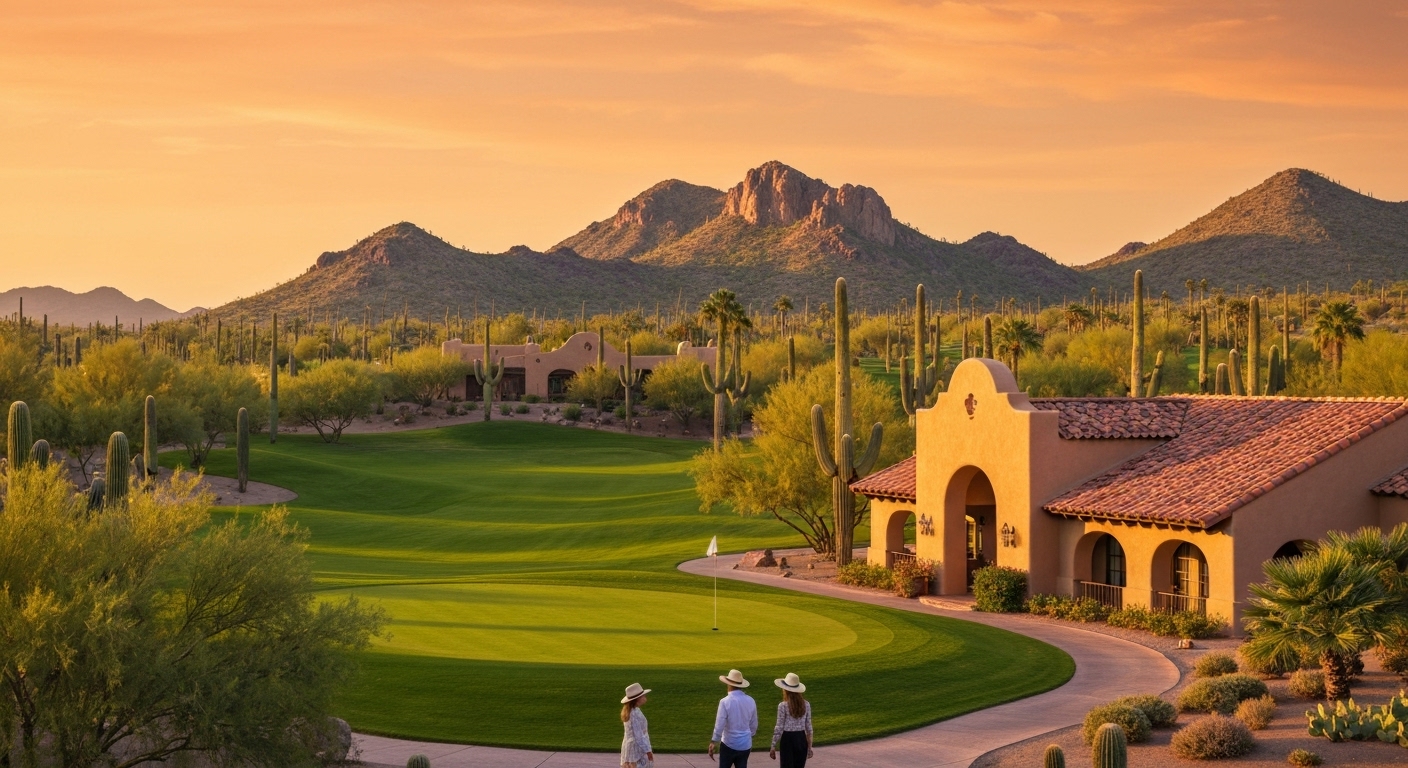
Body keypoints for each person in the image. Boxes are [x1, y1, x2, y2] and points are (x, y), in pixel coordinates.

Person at [708, 669, 758, 768]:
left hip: (729, 743)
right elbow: (754, 725)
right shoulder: (751, 700)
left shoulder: (725, 702)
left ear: (729, 684)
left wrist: (714, 741)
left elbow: (720, 724)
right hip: (745, 744)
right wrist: (747, 736)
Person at [769, 673, 813, 767]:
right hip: (801, 738)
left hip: (787, 739)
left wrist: (773, 745)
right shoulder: (806, 704)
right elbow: (809, 728)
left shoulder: (783, 706)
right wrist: (810, 747)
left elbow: (779, 727)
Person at [620, 683, 654, 768]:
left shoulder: (632, 710)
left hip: (630, 748)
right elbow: (639, 735)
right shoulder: (634, 713)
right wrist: (648, 751)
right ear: (637, 699)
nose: (645, 697)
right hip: (636, 749)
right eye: (643, 696)